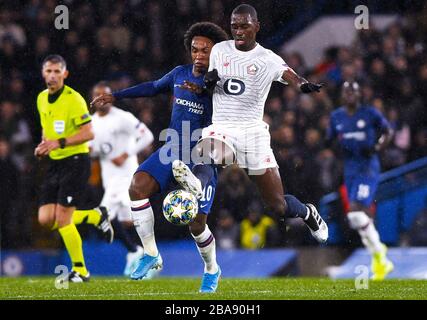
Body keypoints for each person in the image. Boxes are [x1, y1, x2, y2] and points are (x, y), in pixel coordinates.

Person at [91, 22, 228, 292]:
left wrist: (207, 89)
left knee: (197, 225)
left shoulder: (223, 83)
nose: (199, 55)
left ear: (217, 53)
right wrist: (114, 96)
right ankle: (151, 253)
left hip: (202, 153)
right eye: (195, 50)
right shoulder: (179, 74)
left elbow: (231, 104)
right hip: (173, 148)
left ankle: (212, 269)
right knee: (137, 186)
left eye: (205, 51)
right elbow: (153, 87)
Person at [175, 5, 328, 247]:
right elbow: (210, 80)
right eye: (234, 26)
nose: (238, 31)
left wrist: (303, 85)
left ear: (257, 26)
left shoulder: (267, 58)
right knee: (208, 152)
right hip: (223, 126)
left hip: (253, 134)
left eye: (244, 25)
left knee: (277, 206)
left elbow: (290, 75)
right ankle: (196, 184)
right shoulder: (220, 50)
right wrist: (208, 82)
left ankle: (308, 213)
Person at [35, 55, 113, 283]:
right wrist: (43, 145)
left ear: (65, 74)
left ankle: (81, 270)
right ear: (43, 73)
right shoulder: (41, 98)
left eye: (57, 71)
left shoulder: (74, 99)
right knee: (45, 219)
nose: (52, 75)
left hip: (76, 162)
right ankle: (94, 216)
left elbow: (89, 133)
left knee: (62, 219)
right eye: (49, 71)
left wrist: (57, 143)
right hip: (55, 163)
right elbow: (46, 129)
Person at [327, 81, 394, 280]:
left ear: (359, 95)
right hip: (349, 170)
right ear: (341, 95)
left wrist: (377, 148)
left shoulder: (369, 113)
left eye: (353, 92)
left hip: (367, 168)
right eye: (346, 92)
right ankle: (380, 259)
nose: (349, 96)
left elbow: (388, 132)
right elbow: (330, 139)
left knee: (355, 212)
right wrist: (334, 147)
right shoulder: (336, 116)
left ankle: (380, 253)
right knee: (358, 217)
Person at [90, 82, 155, 276]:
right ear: (93, 99)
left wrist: (126, 153)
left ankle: (139, 253)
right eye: (98, 95)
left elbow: (147, 136)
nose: (102, 99)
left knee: (102, 216)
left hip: (126, 175)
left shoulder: (122, 118)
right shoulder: (91, 122)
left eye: (105, 95)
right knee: (125, 222)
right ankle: (140, 253)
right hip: (108, 178)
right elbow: (94, 149)